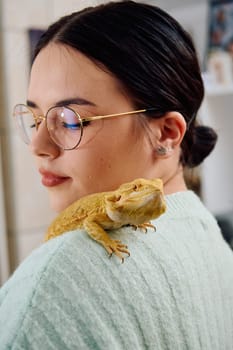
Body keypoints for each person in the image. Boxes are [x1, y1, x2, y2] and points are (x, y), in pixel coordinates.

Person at [0, 1, 233, 348]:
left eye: (69, 121)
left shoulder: (58, 279)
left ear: (167, 132)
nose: (38, 145)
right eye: (35, 120)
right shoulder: (210, 238)